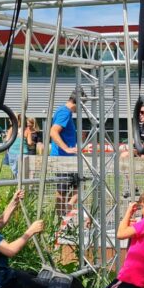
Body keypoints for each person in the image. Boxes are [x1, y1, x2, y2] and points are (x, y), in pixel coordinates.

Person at [50, 92, 81, 234]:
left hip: (70, 160)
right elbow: (54, 132)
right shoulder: (64, 112)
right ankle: (60, 223)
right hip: (62, 159)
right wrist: (66, 149)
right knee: (62, 192)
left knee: (78, 188)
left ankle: (65, 216)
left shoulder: (66, 112)